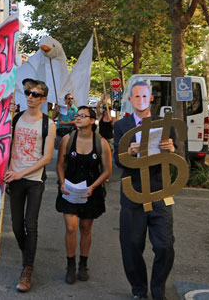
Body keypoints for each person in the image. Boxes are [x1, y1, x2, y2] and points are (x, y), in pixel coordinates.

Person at [113, 81, 177, 300]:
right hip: (133, 193)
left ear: (151, 99)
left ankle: (158, 290)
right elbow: (118, 161)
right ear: (130, 100)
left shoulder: (164, 123)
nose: (140, 100)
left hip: (160, 191)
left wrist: (172, 149)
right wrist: (127, 152)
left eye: (144, 96)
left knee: (165, 245)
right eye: (136, 96)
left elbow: (177, 159)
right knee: (131, 246)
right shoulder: (122, 126)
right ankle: (139, 290)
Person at [5, 79, 56, 293]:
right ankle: (27, 254)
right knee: (17, 225)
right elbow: (4, 143)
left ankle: (27, 270)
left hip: (34, 180)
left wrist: (21, 172)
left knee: (30, 224)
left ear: (43, 99)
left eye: (35, 94)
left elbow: (46, 159)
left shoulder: (48, 124)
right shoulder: (16, 118)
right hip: (14, 178)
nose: (30, 97)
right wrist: (5, 119)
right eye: (27, 92)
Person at [56, 106, 112, 284]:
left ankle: (83, 264)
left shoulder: (101, 142)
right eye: (77, 115)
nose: (78, 118)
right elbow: (59, 164)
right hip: (69, 189)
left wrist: (94, 187)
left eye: (83, 115)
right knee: (71, 228)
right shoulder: (67, 139)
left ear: (92, 120)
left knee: (86, 229)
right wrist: (62, 182)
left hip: (90, 191)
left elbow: (107, 171)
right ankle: (70, 265)